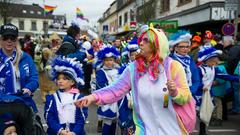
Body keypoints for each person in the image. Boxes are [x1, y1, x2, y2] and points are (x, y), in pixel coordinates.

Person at [75, 25, 194, 135]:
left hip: (172, 129)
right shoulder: (134, 68)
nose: (140, 43)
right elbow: (116, 89)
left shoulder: (173, 67)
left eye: (146, 40)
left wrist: (175, 92)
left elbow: (185, 97)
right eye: (141, 40)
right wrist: (93, 97)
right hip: (144, 130)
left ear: (157, 44)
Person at [0, 23, 39, 113]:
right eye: (6, 37)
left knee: (35, 125)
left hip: (22, 101)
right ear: (1, 39)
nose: (9, 41)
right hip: (1, 103)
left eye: (12, 38)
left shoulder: (25, 58)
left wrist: (29, 88)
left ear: (16, 40)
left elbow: (34, 78)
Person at [44, 57, 87, 135]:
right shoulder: (52, 97)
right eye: (58, 78)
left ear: (72, 82)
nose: (60, 81)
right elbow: (48, 116)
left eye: (64, 79)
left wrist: (74, 132)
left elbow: (82, 117)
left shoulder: (79, 97)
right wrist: (60, 131)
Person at [169, 30, 200, 95]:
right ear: (176, 48)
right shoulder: (169, 60)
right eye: (182, 47)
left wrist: (191, 92)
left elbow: (196, 79)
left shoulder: (190, 60)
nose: (185, 49)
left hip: (190, 93)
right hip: (174, 94)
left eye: (187, 46)